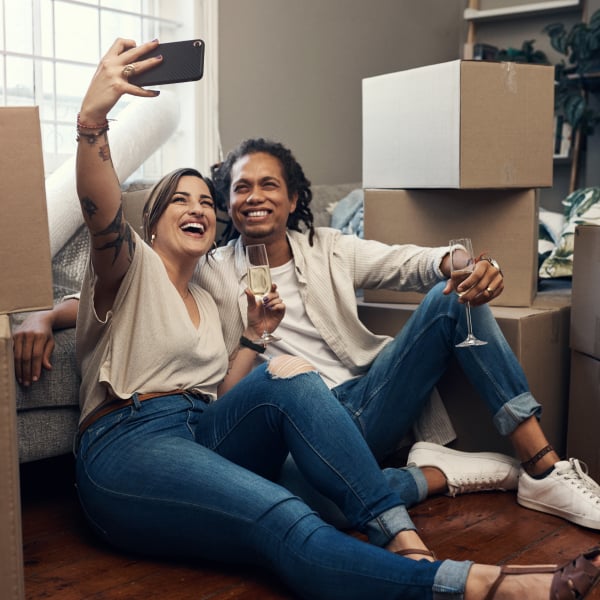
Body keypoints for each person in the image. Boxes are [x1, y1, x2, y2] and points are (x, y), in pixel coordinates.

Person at [37, 36, 600, 600]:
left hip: (226, 428)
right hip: (132, 435)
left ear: (291, 198)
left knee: (295, 376)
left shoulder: (231, 295)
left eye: (206, 201)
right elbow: (102, 217)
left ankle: (435, 521)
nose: (201, 208)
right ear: (152, 224)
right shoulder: (139, 267)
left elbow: (406, 265)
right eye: (186, 200)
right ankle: (468, 577)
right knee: (289, 512)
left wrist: (257, 336)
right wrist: (93, 122)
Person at [181, 136, 600, 533]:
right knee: (320, 505)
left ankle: (544, 468)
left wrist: (465, 263)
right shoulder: (209, 272)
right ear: (229, 203)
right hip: (296, 432)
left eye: (268, 185)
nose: (254, 196)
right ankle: (435, 473)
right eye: (241, 188)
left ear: (292, 200)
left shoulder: (329, 248)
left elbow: (410, 263)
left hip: (366, 404)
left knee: (451, 297)